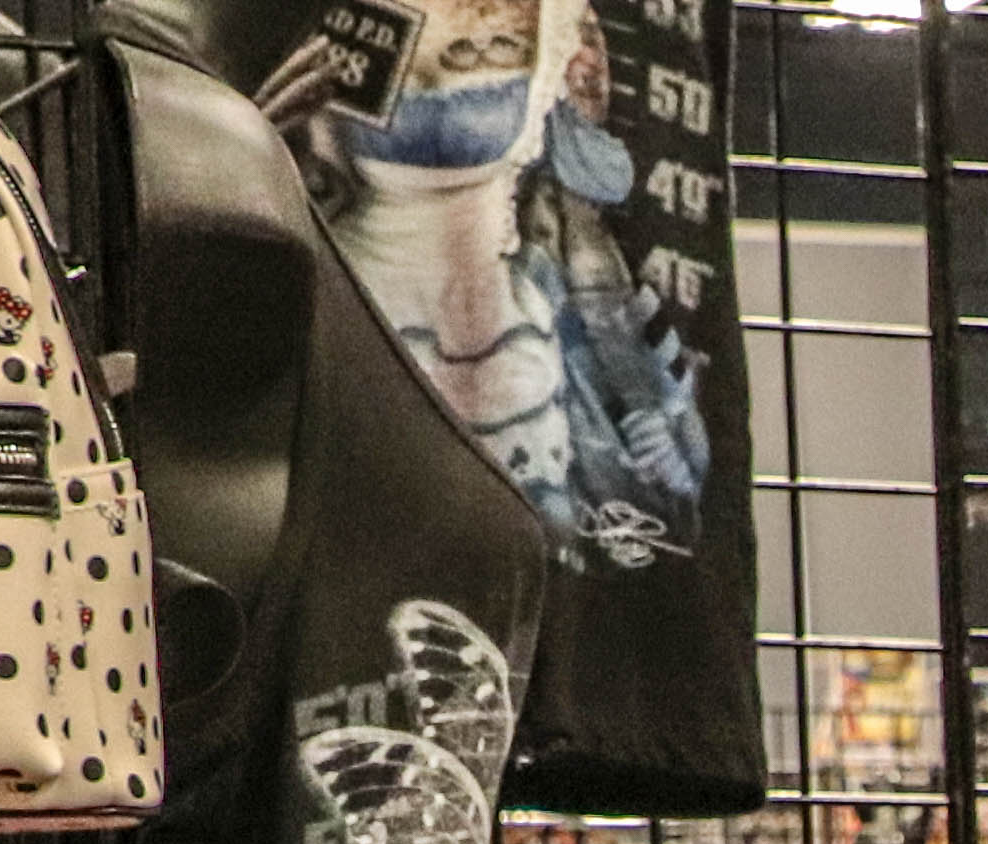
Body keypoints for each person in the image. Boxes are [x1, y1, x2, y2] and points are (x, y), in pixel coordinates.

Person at [257, 0, 708, 559]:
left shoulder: (556, 32)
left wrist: (650, 412)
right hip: (364, 335)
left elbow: (584, 217)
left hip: (501, 350)